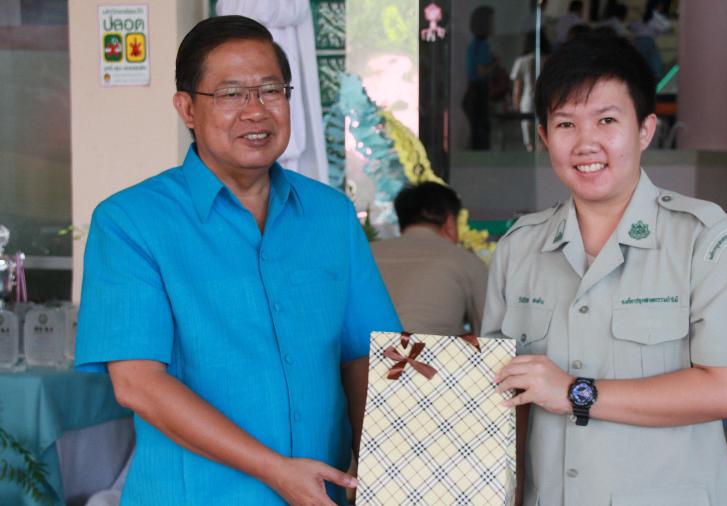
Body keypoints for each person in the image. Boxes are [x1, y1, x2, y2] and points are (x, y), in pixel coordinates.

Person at [75, 15, 400, 505]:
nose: (256, 111)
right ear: (187, 108)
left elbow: (368, 358)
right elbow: (138, 384)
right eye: (231, 94)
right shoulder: (131, 222)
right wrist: (277, 472)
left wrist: (389, 478)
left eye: (271, 90)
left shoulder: (331, 215)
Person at [485, 33, 727, 505]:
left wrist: (575, 392)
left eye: (607, 120)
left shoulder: (707, 240)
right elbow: (495, 398)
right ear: (544, 138)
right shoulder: (518, 249)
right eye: (566, 124)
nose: (586, 143)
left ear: (645, 130)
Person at [371, 182, 487, 336]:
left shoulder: (367, 253)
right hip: (428, 351)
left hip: (364, 350)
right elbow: (489, 333)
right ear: (450, 222)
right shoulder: (465, 261)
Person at [510, 30, 551, 151]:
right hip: (545, 101)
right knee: (545, 141)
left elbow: (517, 89)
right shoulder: (549, 60)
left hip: (527, 102)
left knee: (529, 143)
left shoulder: (522, 61)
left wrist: (516, 107)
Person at [463, 6, 496, 150]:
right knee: (481, 127)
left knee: (478, 127)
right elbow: (481, 71)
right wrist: (494, 64)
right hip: (479, 89)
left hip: (475, 89)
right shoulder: (481, 45)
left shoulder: (475, 44)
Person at [630, 0, 671, 81]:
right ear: (659, 6)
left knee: (638, 65)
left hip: (637, 41)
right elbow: (666, 26)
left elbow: (633, 27)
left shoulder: (644, 16)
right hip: (648, 41)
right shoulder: (656, 16)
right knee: (655, 66)